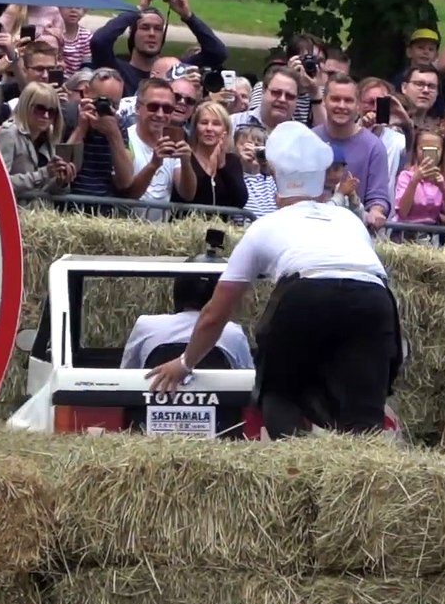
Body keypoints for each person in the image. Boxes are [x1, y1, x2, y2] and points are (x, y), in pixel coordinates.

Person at [146, 120, 404, 439]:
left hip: (307, 294)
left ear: (279, 191)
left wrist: (185, 363)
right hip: (375, 300)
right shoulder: (348, 220)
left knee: (280, 393)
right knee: (364, 419)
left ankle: (288, 464)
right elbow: (370, 287)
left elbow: (216, 312)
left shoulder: (266, 226)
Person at [121, 248, 254, 370]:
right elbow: (248, 382)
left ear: (179, 289)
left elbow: (125, 376)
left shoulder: (146, 326)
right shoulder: (233, 334)